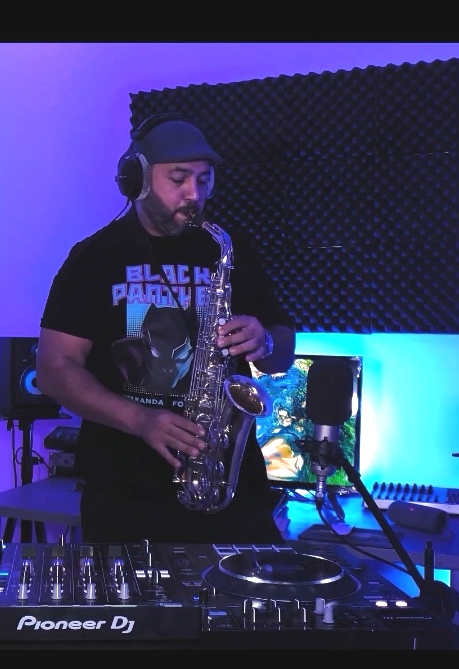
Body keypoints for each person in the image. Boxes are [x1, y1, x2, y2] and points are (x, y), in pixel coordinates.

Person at [36, 114, 296, 544]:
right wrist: (139, 419)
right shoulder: (92, 258)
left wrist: (265, 339)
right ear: (137, 179)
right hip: (124, 497)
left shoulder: (231, 249)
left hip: (231, 488)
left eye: (204, 180)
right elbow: (53, 369)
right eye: (178, 178)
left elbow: (283, 350)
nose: (195, 194)